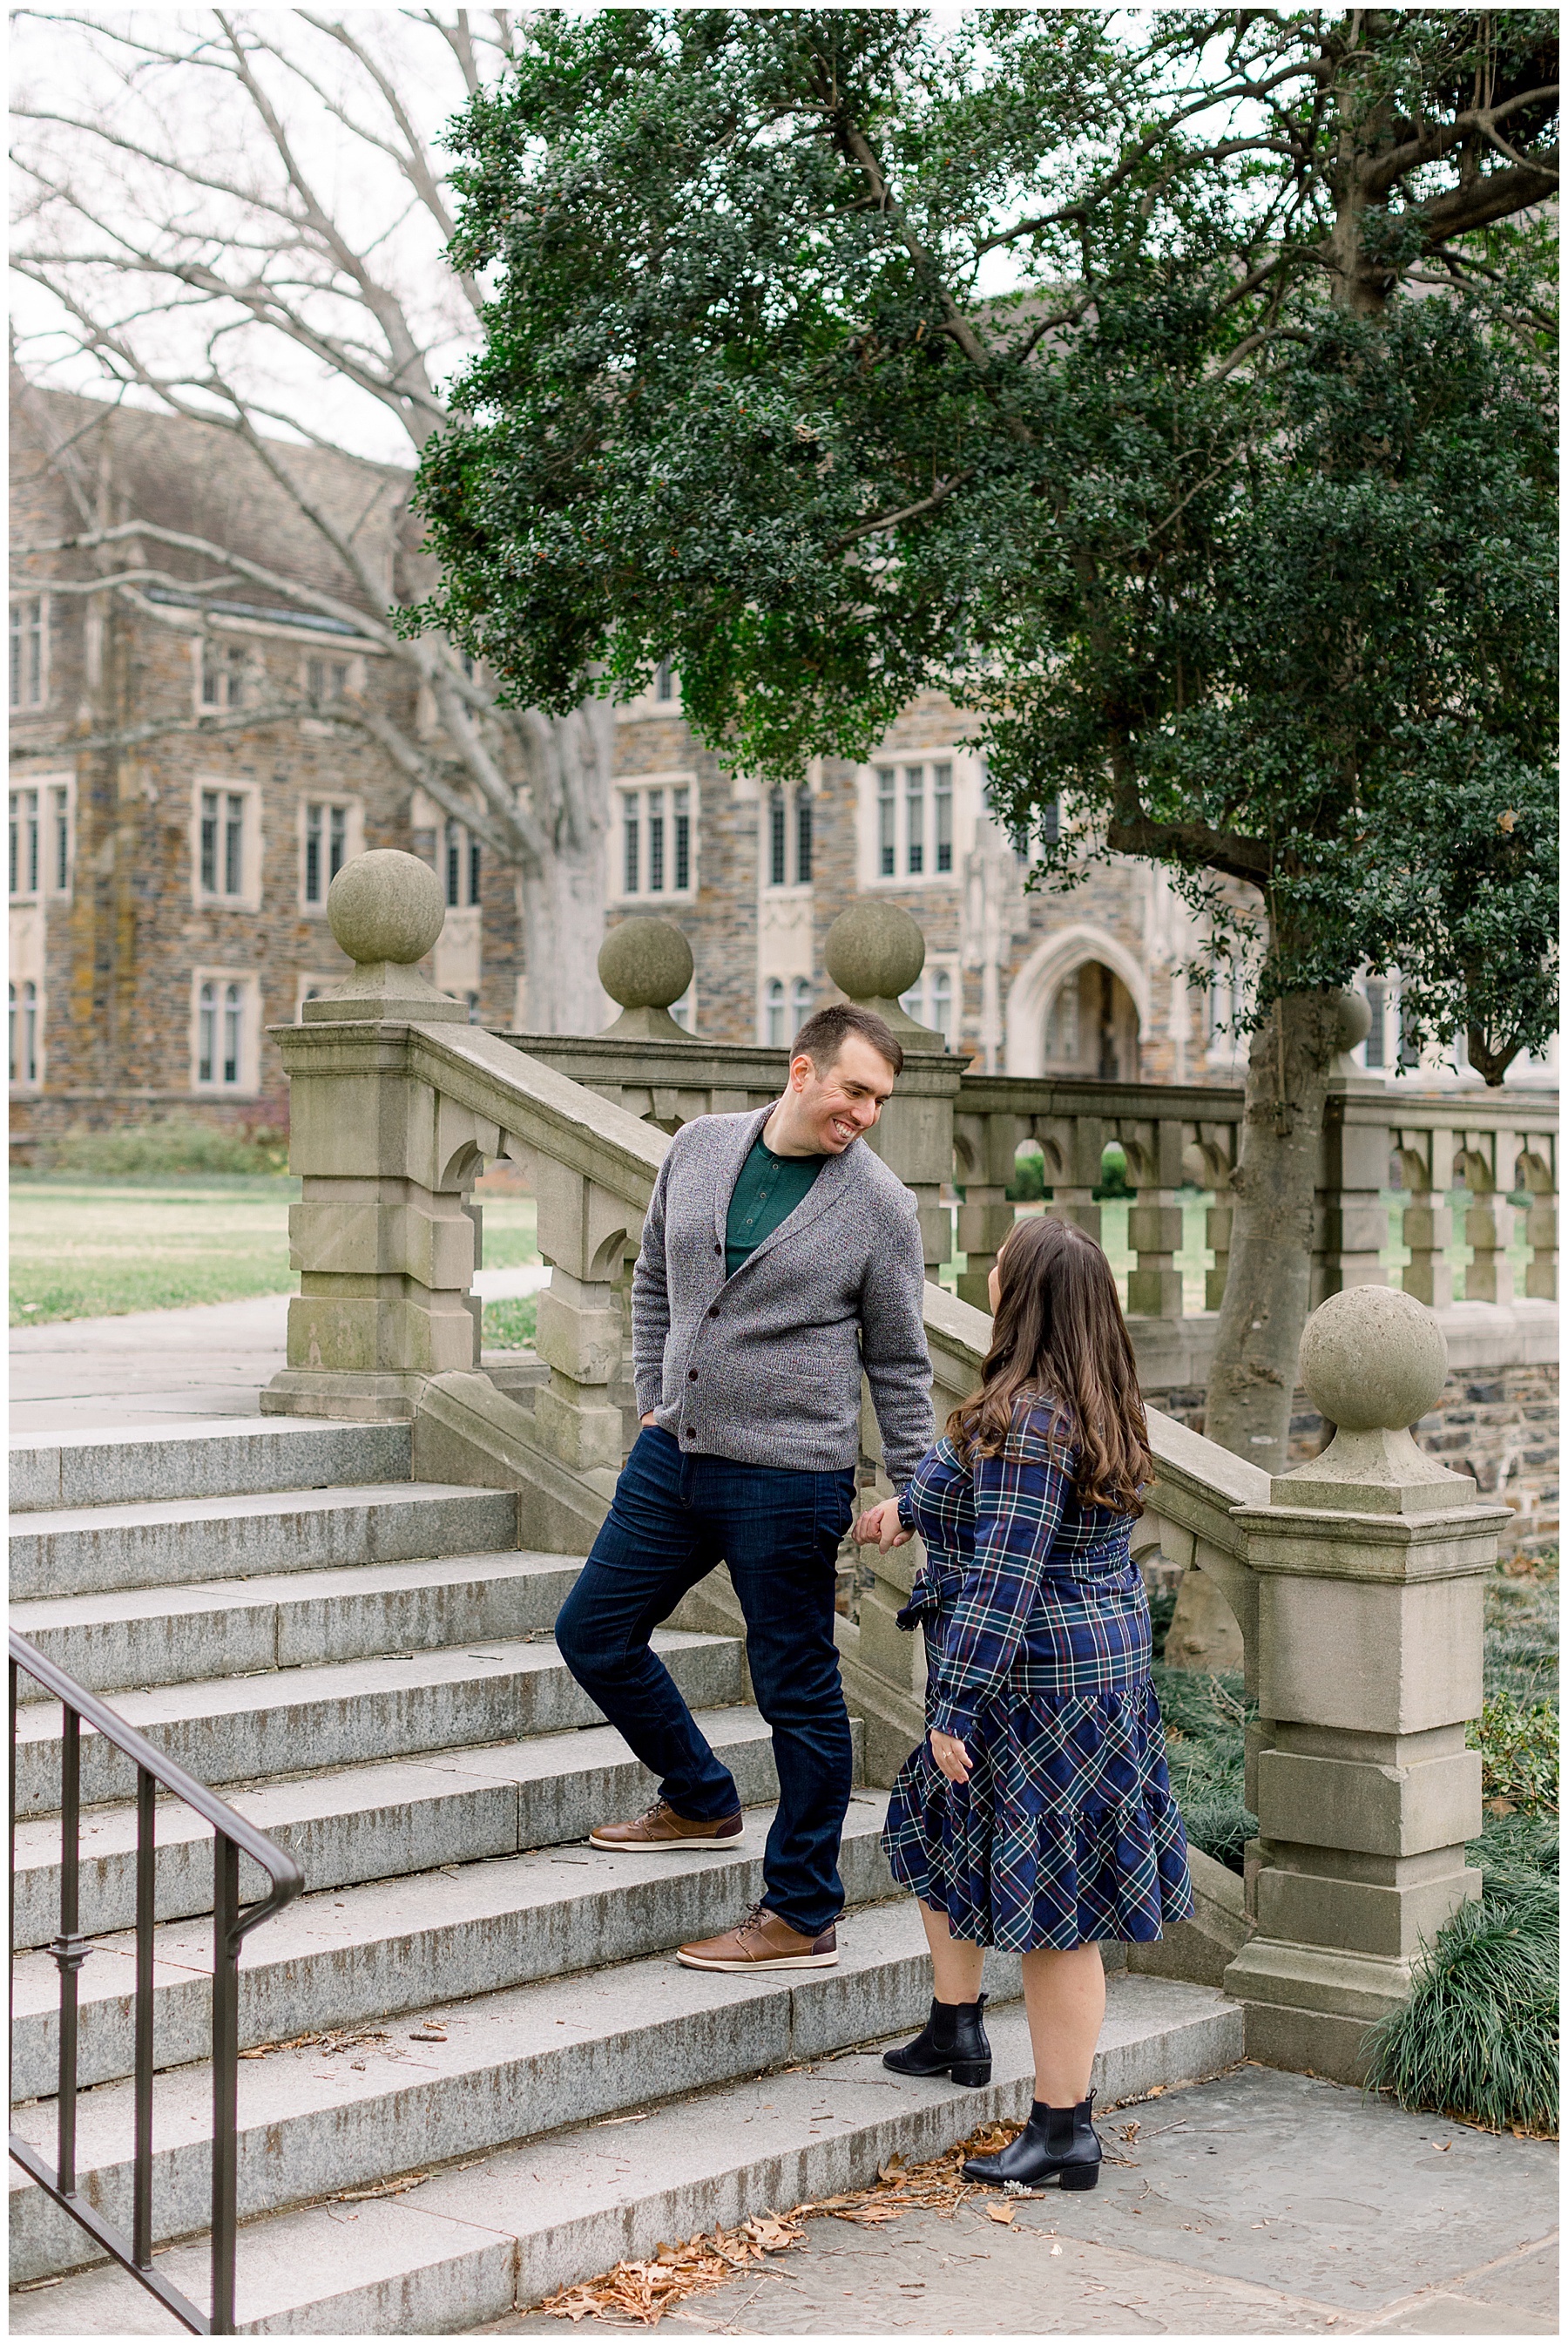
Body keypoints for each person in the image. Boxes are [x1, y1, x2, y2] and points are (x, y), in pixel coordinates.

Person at [555, 1003, 934, 1975]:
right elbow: (651, 1281)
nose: (866, 1113)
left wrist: (920, 1484)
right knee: (593, 1630)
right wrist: (652, 1391)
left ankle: (802, 1908)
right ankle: (699, 1794)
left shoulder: (879, 1204)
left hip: (790, 1477)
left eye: (881, 1099)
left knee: (798, 1692)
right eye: (855, 1089)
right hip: (672, 1453)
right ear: (802, 1068)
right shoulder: (701, 1147)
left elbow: (899, 1359)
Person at [855, 1214, 1193, 2192]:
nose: (988, 1270)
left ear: (1023, 1293)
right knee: (935, 1819)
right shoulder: (1090, 1398)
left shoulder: (1027, 1418)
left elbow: (1006, 1571)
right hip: (1098, 1674)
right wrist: (909, 1505)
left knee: (1058, 1912)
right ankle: (958, 2026)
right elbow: (981, 1489)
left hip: (1039, 1687)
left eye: (1000, 1264)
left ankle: (1063, 2129)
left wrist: (954, 1705)